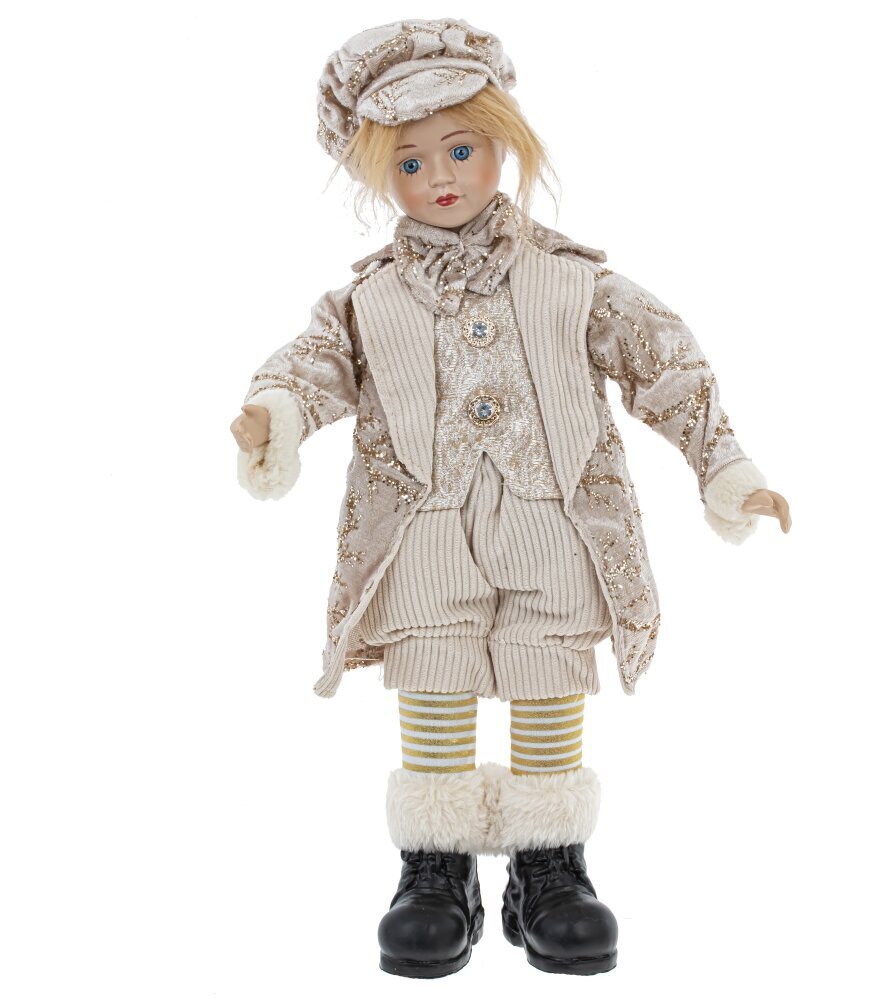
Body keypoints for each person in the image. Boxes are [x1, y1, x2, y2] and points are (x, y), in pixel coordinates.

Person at [230, 17, 791, 979]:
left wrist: (726, 468)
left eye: (461, 149)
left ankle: (549, 865)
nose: (440, 177)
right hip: (424, 525)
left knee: (547, 664)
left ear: (504, 144)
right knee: (433, 662)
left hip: (553, 518)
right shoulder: (369, 300)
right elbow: (316, 361)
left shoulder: (575, 281)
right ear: (379, 175)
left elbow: (665, 362)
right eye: (411, 163)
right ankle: (436, 866)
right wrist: (274, 410)